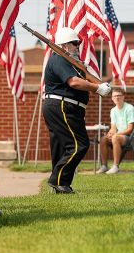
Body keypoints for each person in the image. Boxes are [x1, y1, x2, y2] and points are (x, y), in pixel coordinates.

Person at [43, 27, 111, 193]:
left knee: (61, 146)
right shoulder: (59, 58)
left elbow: (84, 77)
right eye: (74, 43)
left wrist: (98, 83)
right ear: (64, 45)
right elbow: (73, 82)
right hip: (62, 105)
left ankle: (60, 184)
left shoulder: (70, 62)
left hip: (65, 106)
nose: (78, 46)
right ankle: (57, 180)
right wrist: (96, 88)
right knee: (78, 144)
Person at [97, 89, 134, 174]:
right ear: (112, 98)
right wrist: (110, 133)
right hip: (119, 136)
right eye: (114, 96)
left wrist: (115, 134)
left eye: (119, 95)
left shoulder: (130, 109)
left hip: (132, 138)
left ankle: (115, 166)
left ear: (123, 97)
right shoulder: (113, 110)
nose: (116, 98)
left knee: (115, 138)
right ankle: (104, 166)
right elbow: (113, 128)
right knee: (103, 139)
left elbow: (130, 129)